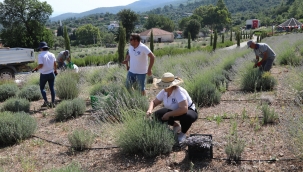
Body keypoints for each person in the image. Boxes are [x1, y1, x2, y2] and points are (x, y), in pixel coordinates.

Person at [146, 72, 198, 143]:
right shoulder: (164, 91)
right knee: (156, 115)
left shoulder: (179, 92)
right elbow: (154, 102)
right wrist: (149, 110)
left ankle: (182, 133)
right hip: (173, 111)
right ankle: (176, 126)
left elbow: (184, 109)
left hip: (188, 111)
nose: (164, 87)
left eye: (166, 86)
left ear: (171, 85)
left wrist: (169, 114)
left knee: (187, 117)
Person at [32, 42, 57, 108]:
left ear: (41, 48)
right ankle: (53, 103)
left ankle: (46, 102)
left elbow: (41, 65)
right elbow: (55, 64)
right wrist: (55, 70)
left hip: (44, 74)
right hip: (51, 73)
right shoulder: (52, 54)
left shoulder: (40, 55)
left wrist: (35, 69)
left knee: (42, 88)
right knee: (52, 88)